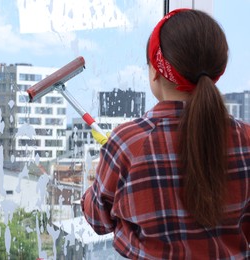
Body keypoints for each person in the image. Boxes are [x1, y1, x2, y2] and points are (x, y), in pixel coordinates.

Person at [82, 8, 250, 259]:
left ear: (155, 71)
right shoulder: (245, 139)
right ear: (217, 70)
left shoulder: (129, 143)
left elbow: (98, 221)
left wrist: (99, 178)